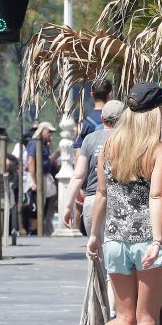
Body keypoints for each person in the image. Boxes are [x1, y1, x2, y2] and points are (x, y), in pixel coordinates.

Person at [75, 83, 162, 325]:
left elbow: (100, 194)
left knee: (125, 317)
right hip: (147, 240)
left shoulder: (110, 145)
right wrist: (158, 239)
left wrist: (94, 235)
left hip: (115, 241)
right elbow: (158, 196)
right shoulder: (159, 149)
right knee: (146, 319)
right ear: (154, 113)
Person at [64, 100, 125, 235]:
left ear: (102, 118)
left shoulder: (89, 139)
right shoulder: (128, 139)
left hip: (92, 200)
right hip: (121, 200)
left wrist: (68, 206)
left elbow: (78, 175)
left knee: (95, 250)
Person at [26, 121, 59, 233]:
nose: (50, 134)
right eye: (48, 131)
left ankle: (44, 227)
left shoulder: (44, 144)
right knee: (37, 206)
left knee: (46, 203)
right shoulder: (35, 143)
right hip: (38, 177)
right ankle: (36, 230)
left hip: (45, 176)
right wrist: (34, 181)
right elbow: (31, 161)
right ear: (42, 131)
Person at [75, 77, 114, 150]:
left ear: (92, 95)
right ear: (109, 95)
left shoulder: (84, 123)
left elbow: (79, 153)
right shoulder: (117, 120)